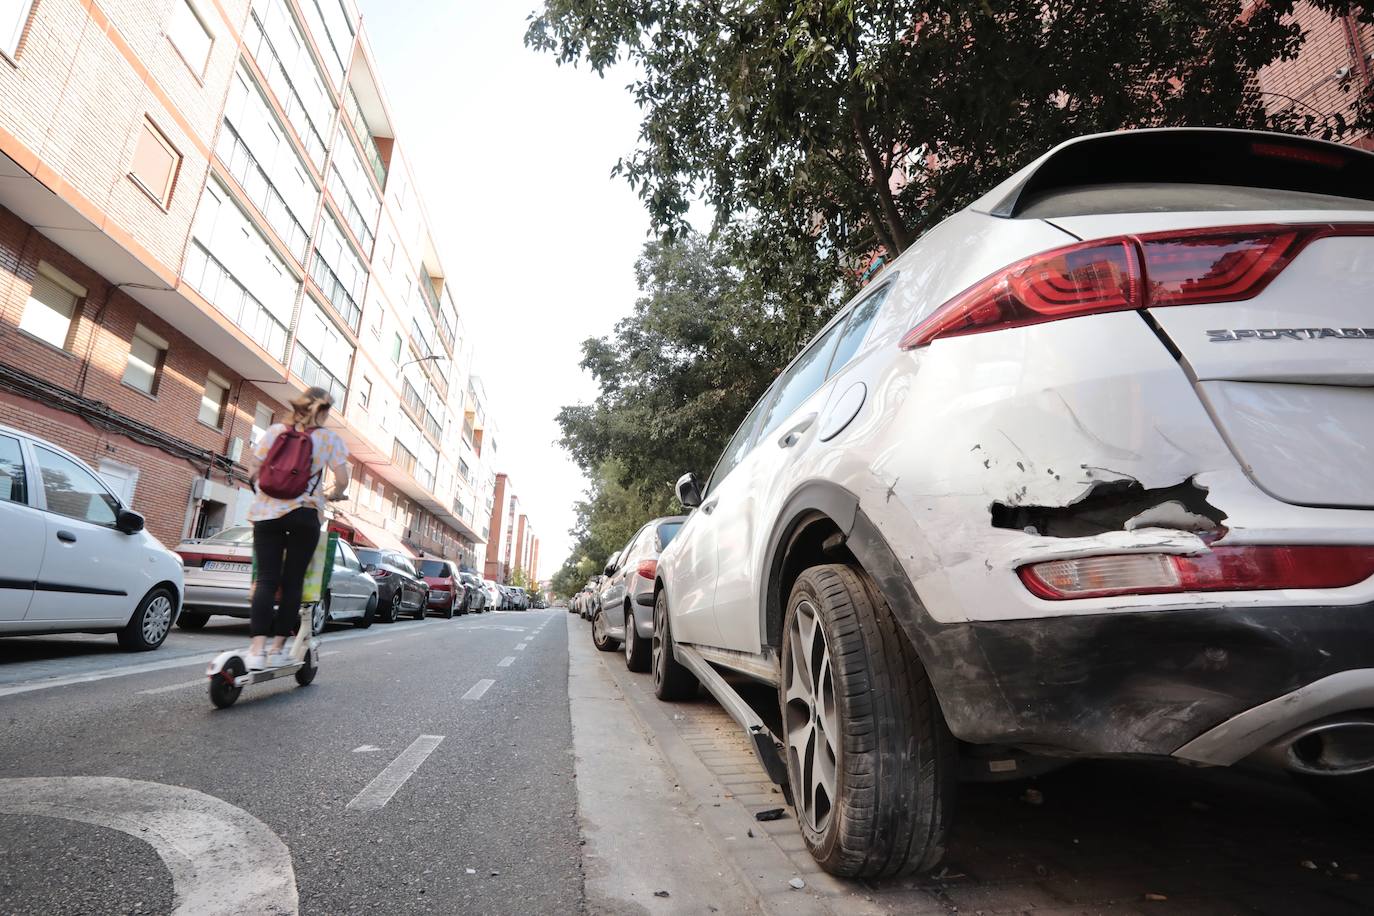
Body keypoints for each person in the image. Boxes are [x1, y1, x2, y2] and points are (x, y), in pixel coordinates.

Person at [243, 387, 350, 670]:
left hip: (267, 513)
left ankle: (256, 650)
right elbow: (342, 479)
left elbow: (253, 469)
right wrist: (333, 493)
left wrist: (267, 493)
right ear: (325, 412)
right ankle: (278, 648)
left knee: (266, 580)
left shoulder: (276, 430)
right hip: (304, 514)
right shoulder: (329, 439)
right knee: (293, 582)